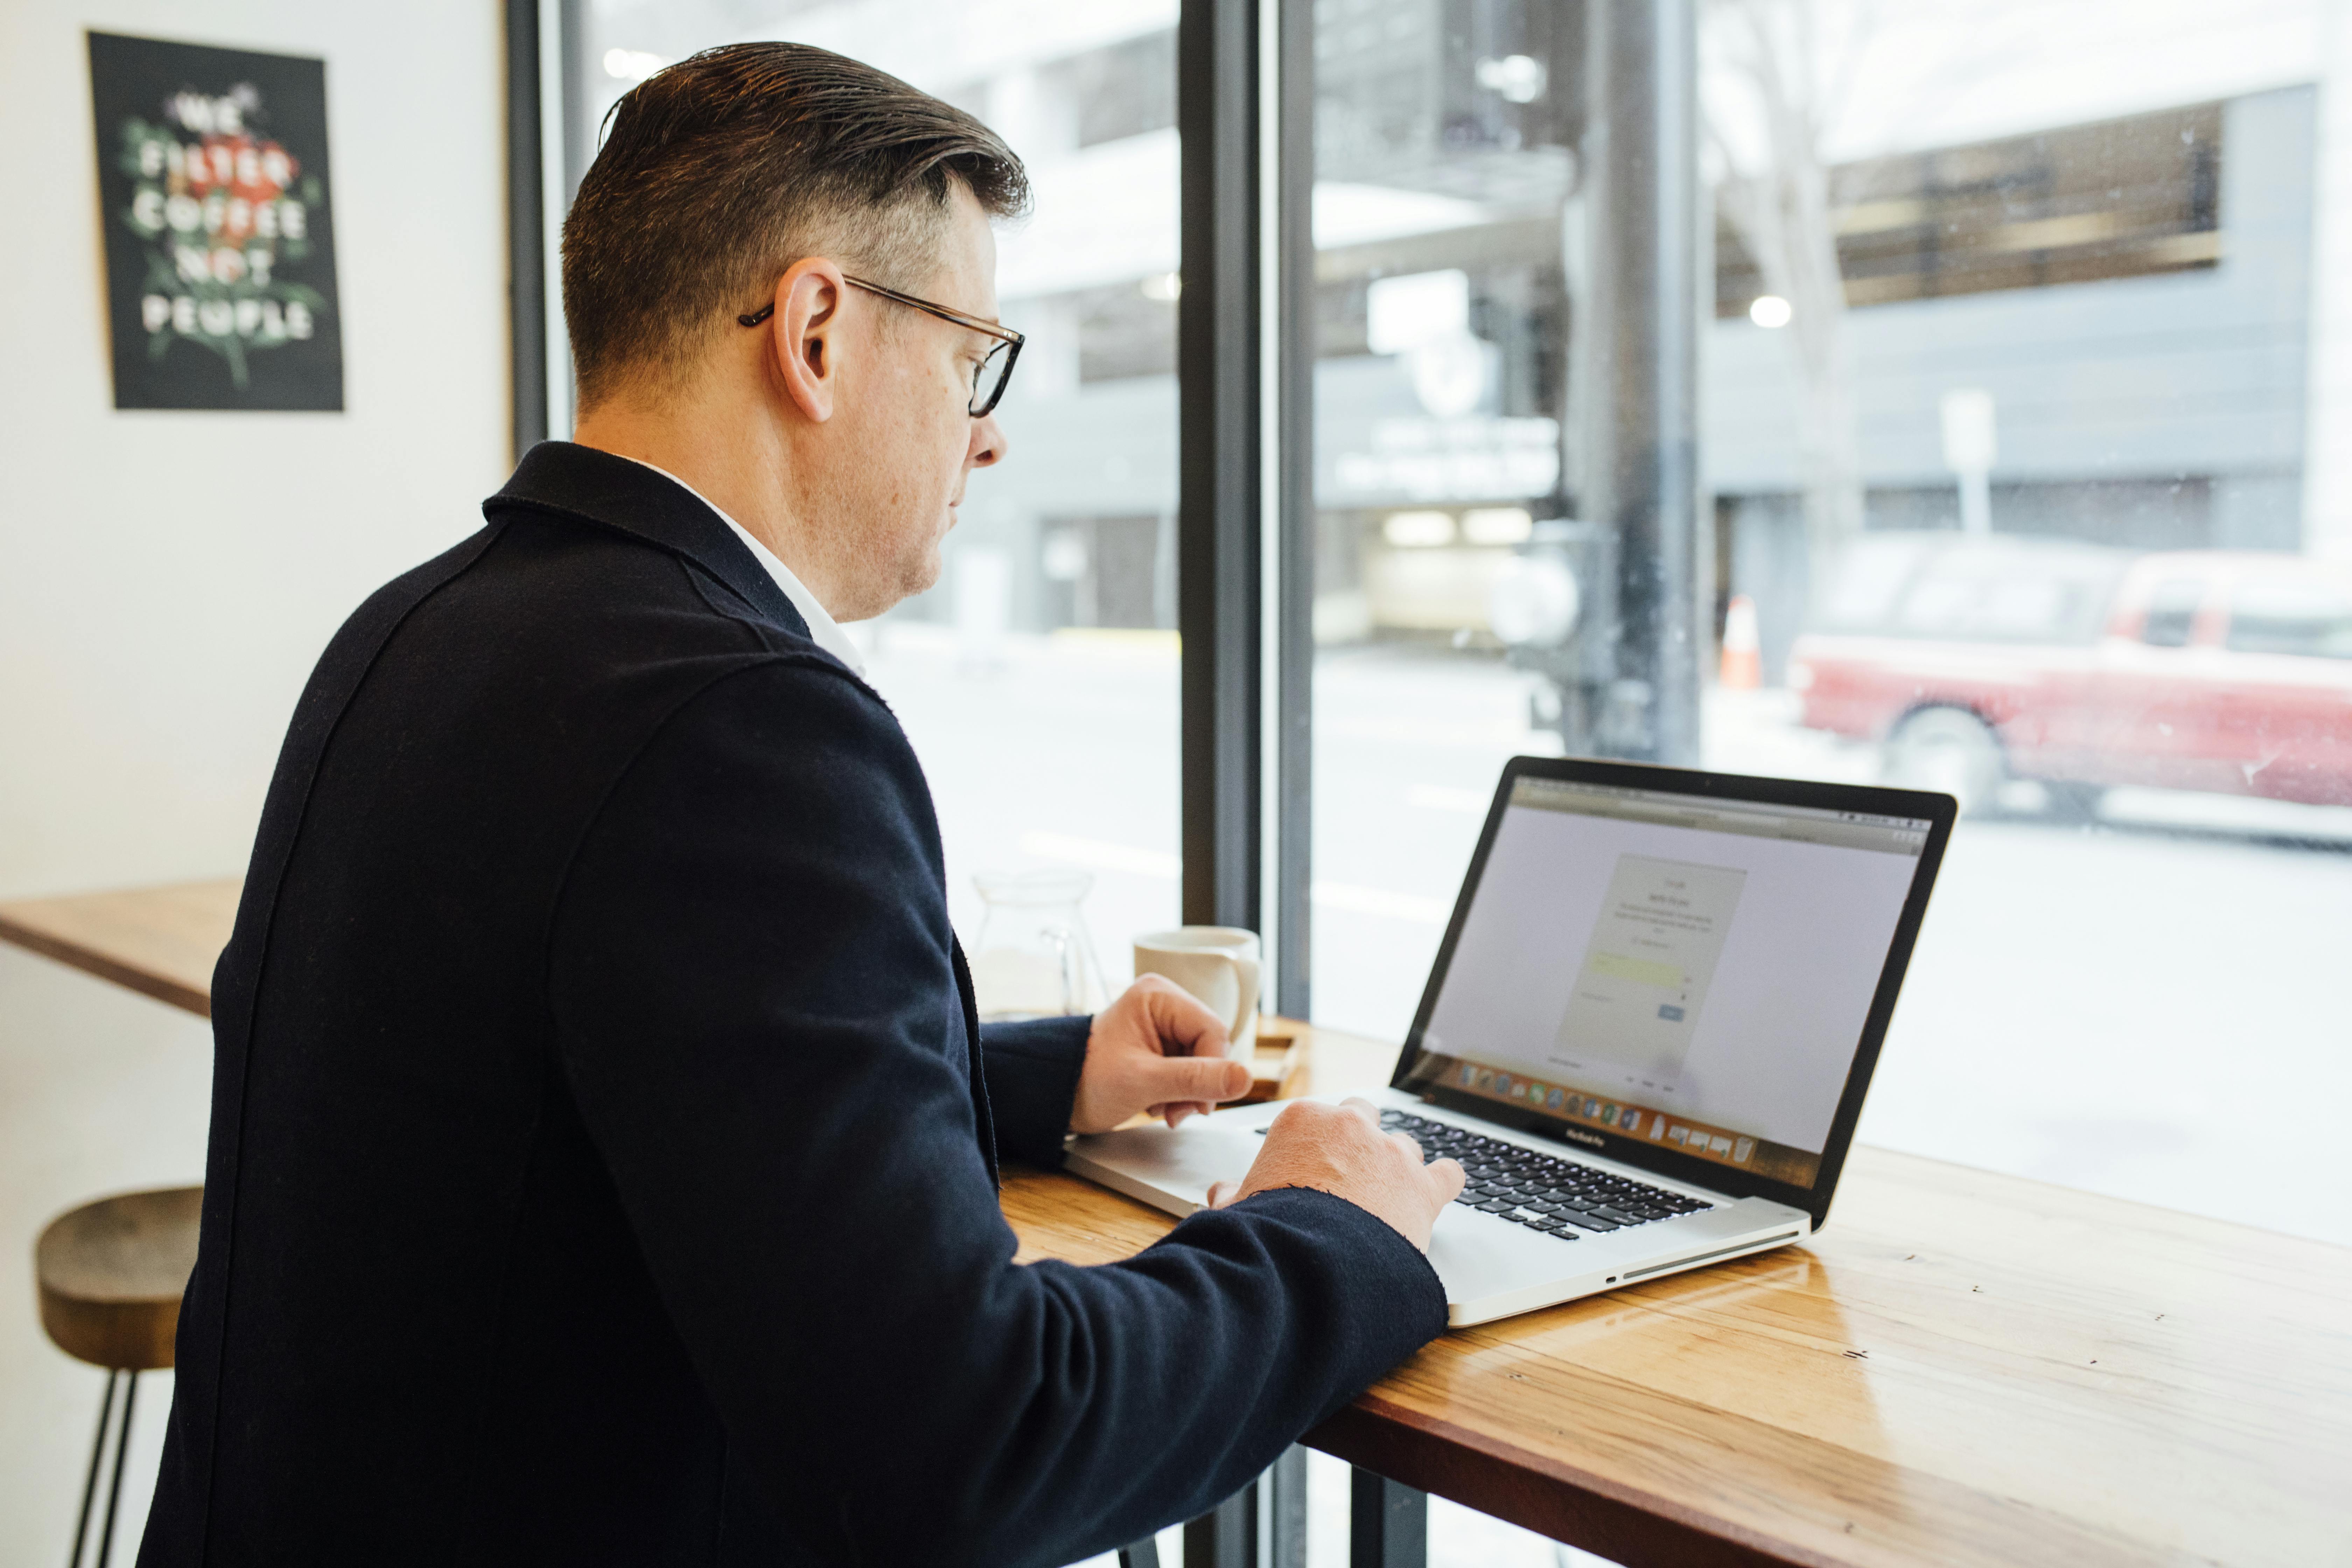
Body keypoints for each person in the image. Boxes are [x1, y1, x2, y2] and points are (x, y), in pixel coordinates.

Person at [138, 41, 1462, 1568]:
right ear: (819, 331)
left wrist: (1037, 1077)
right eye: (975, 356)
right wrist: (1323, 1231)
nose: (989, 429)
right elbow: (969, 1450)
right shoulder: (739, 723)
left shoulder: (415, 630)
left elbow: (610, 1071)